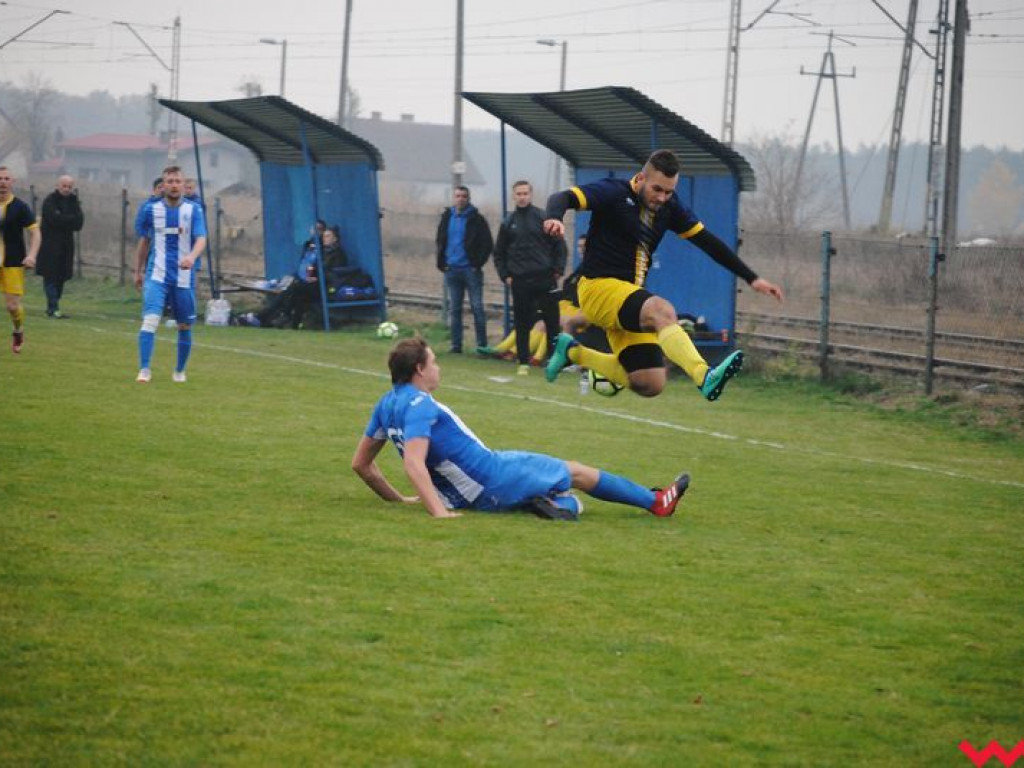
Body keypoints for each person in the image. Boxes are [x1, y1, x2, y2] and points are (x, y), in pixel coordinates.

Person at [351, 338, 691, 521]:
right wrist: (438, 513)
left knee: (552, 481)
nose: (438, 368)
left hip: (460, 492)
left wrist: (397, 499)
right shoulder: (420, 405)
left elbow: (361, 465)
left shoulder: (386, 404)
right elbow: (413, 462)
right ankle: (656, 502)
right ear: (419, 369)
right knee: (577, 472)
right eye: (434, 362)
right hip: (491, 475)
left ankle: (541, 502)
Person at [543, 149, 784, 401]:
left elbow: (708, 242)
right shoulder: (614, 192)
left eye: (668, 192)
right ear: (641, 178)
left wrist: (752, 278)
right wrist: (554, 218)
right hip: (597, 289)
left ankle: (572, 353)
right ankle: (704, 376)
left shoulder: (670, 207)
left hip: (626, 300)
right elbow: (562, 197)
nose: (662, 197)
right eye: (657, 189)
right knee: (662, 311)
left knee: (649, 382)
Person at [133, 165, 207, 383]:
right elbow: (144, 241)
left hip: (184, 277)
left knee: (184, 325)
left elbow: (201, 238)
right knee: (150, 320)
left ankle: (179, 371)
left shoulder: (194, 210)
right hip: (156, 274)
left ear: (183, 185)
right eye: (170, 181)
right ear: (163, 186)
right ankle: (144, 370)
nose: (174, 185)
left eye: (178, 181)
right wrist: (137, 271)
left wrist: (192, 257)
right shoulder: (150, 210)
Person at [492, 180, 567, 375]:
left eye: (525, 193)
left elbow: (559, 245)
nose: (522, 197)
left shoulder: (543, 217)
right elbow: (499, 252)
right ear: (513, 196)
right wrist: (505, 275)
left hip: (545, 278)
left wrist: (558, 269)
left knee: (552, 322)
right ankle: (523, 362)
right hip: (520, 281)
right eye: (519, 194)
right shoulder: (508, 222)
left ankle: (552, 361)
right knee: (522, 323)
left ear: (530, 195)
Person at [251, 225, 348, 329]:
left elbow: (332, 273)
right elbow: (313, 268)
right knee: (297, 293)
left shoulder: (337, 254)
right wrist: (311, 276)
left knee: (295, 288)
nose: (325, 239)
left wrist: (316, 276)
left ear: (335, 239)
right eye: (324, 236)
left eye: (328, 236)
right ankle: (287, 322)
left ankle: (269, 316)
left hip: (326, 287)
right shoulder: (321, 251)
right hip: (314, 284)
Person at [435, 186, 493, 354]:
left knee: (477, 307)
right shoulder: (447, 217)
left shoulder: (477, 220)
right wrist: (442, 263)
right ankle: (456, 345)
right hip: (452, 269)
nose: (460, 199)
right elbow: (440, 240)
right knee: (455, 309)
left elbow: (487, 244)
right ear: (453, 198)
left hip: (470, 270)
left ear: (468, 199)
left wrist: (477, 264)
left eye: (463, 196)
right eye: (457, 196)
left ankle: (481, 346)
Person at [0, 166, 41, 353]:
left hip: (13, 261)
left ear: (12, 182)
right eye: (0, 179)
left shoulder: (20, 207)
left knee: (12, 306)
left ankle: (18, 330)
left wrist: (31, 255)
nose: (2, 182)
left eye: (6, 179)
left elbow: (35, 233)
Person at [36, 174, 84, 319]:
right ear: (58, 186)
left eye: (69, 186)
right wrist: (69, 219)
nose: (67, 189)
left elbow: (79, 223)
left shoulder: (74, 202)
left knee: (62, 276)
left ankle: (53, 306)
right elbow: (53, 219)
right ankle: (53, 307)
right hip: (49, 245)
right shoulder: (50, 201)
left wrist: (63, 218)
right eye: (64, 186)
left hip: (66, 245)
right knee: (50, 275)